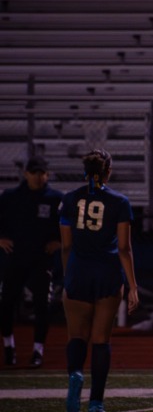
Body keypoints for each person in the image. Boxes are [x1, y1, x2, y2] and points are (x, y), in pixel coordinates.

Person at [59, 149, 139, 412]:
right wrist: (133, 286)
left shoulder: (69, 199)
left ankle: (75, 374)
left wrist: (68, 275)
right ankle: (95, 402)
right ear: (108, 171)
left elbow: (66, 246)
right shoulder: (120, 202)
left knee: (76, 335)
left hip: (79, 270)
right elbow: (124, 248)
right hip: (107, 272)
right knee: (101, 339)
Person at [0, 155, 64, 368]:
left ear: (47, 175)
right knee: (6, 303)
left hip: (41, 260)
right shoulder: (10, 197)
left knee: (42, 306)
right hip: (15, 258)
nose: (38, 176)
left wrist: (60, 241)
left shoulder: (56, 199)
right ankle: (8, 346)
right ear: (26, 174)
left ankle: (38, 350)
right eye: (34, 172)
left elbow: (68, 226)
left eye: (42, 173)